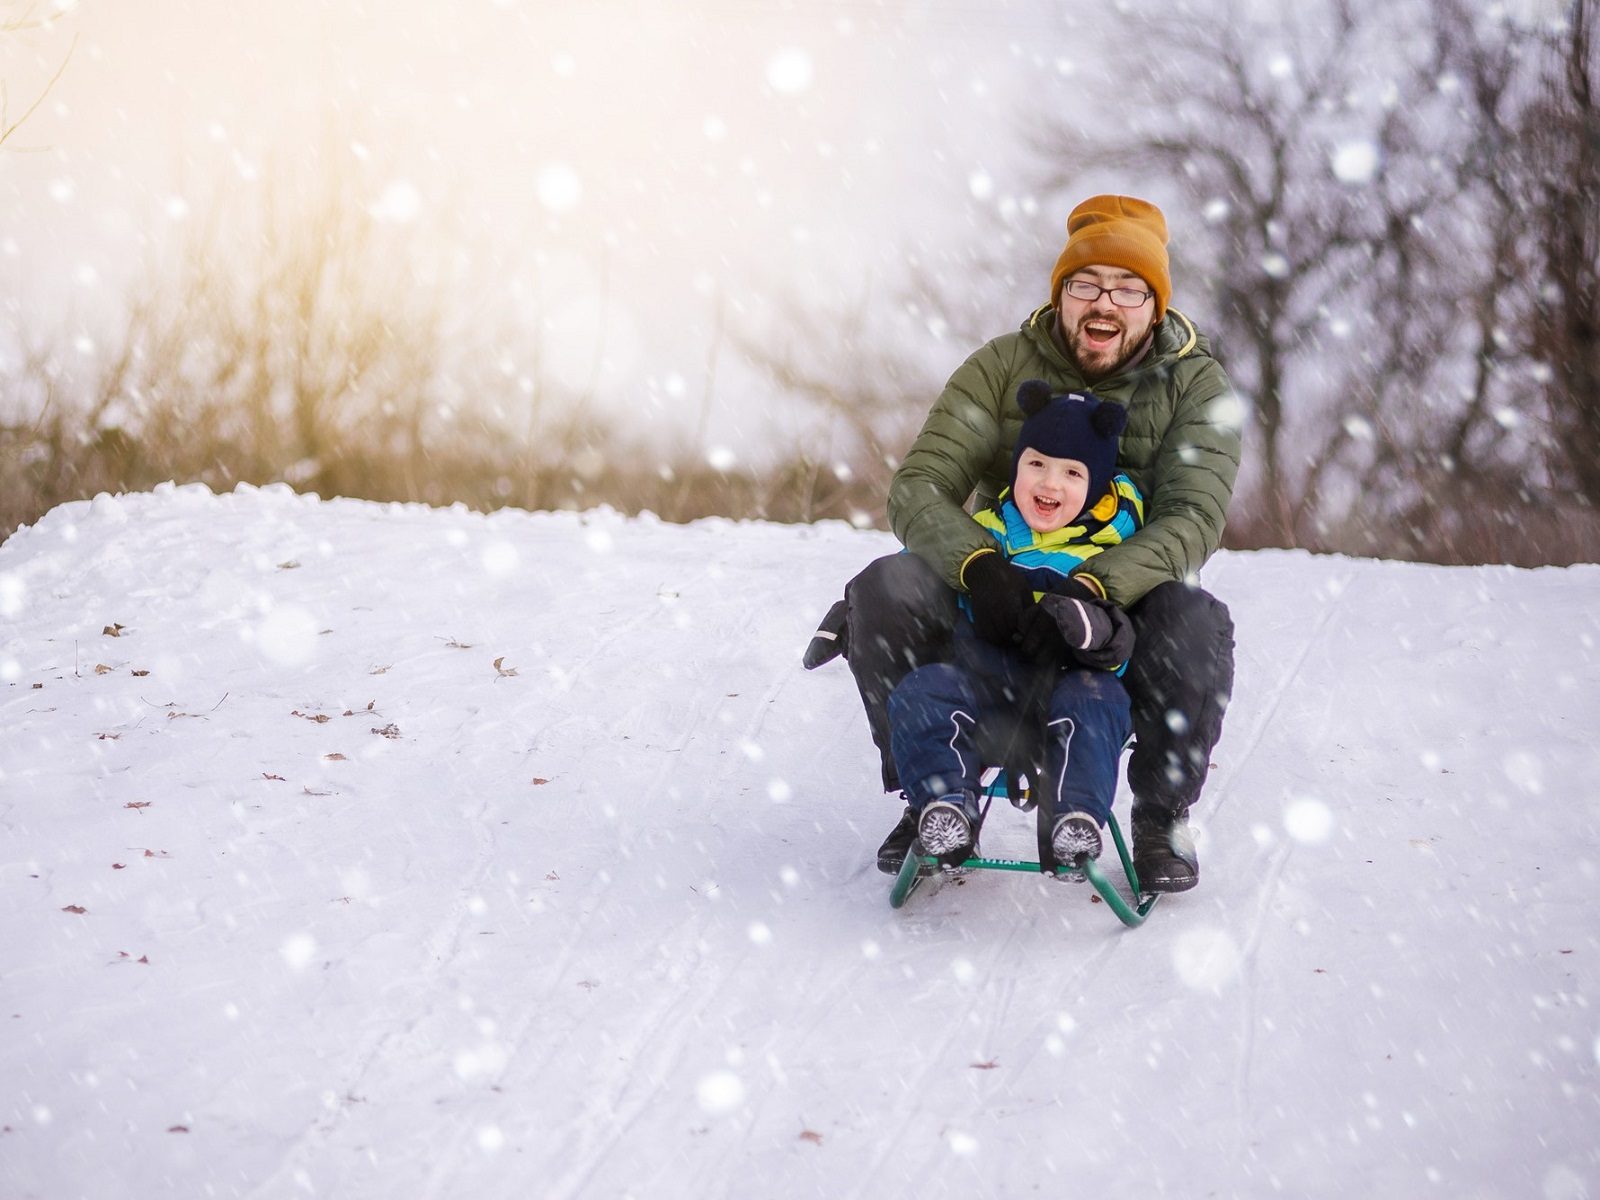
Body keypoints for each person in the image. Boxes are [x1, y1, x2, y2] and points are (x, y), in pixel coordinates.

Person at [805, 194, 1239, 893]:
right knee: (885, 589)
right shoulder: (1002, 367)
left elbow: (1194, 518)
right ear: (1061, 295)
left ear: (1154, 306)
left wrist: (1096, 589)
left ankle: (1162, 816)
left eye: (1129, 288)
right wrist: (980, 569)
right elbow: (918, 486)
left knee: (1197, 621)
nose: (1106, 303)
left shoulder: (1195, 385)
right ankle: (933, 791)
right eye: (1086, 284)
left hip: (1120, 610)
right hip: (1000, 593)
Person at [884, 381, 1140, 870]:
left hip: (1070, 681)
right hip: (983, 681)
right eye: (1036, 464)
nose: (1049, 484)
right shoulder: (987, 534)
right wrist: (854, 605)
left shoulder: (1114, 551)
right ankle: (945, 806)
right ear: (1016, 465)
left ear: (1098, 483)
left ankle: (1076, 818)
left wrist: (1087, 627)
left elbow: (1125, 634)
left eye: (1071, 473)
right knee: (922, 691)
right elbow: (912, 568)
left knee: (1096, 704)